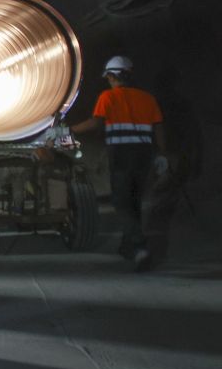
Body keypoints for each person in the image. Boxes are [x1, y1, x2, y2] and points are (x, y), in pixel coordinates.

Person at [66, 55, 166, 271]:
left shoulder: (108, 97)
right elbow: (158, 127)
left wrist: (69, 130)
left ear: (112, 76)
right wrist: (162, 155)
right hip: (144, 156)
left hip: (121, 156)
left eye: (109, 77)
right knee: (134, 201)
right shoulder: (147, 98)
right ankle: (127, 246)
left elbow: (96, 123)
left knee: (121, 203)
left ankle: (140, 248)